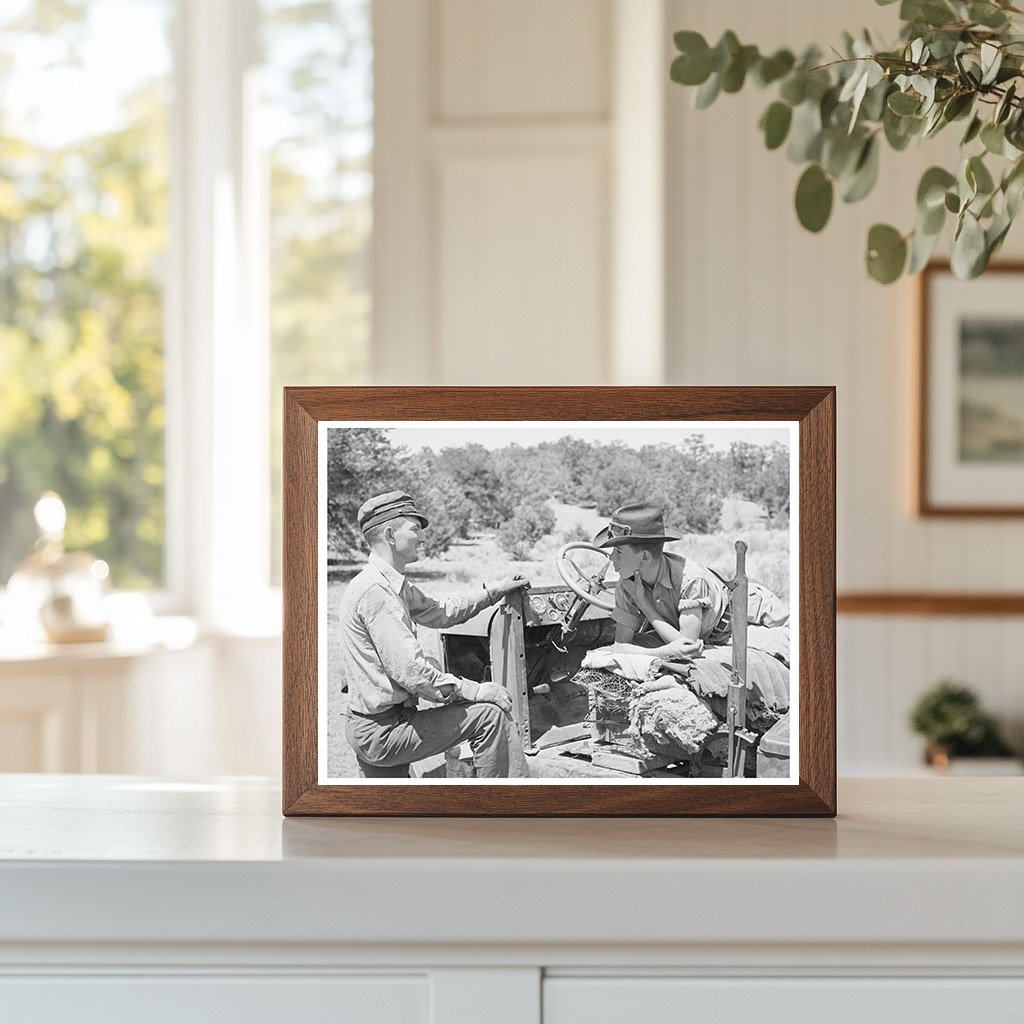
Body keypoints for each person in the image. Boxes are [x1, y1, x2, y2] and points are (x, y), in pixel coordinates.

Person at [339, 490, 531, 778]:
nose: (422, 538)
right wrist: (476, 690)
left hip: (372, 724)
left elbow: (440, 611)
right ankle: (507, 799)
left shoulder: (383, 583)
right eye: (415, 529)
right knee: (490, 717)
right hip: (384, 730)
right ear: (390, 535)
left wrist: (495, 592)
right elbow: (412, 671)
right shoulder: (377, 591)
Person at [595, 503, 790, 664]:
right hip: (710, 635)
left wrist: (644, 604)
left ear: (644, 557)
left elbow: (687, 646)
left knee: (793, 648)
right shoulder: (627, 585)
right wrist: (661, 653)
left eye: (618, 552)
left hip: (747, 613)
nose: (611, 558)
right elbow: (621, 646)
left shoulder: (690, 579)